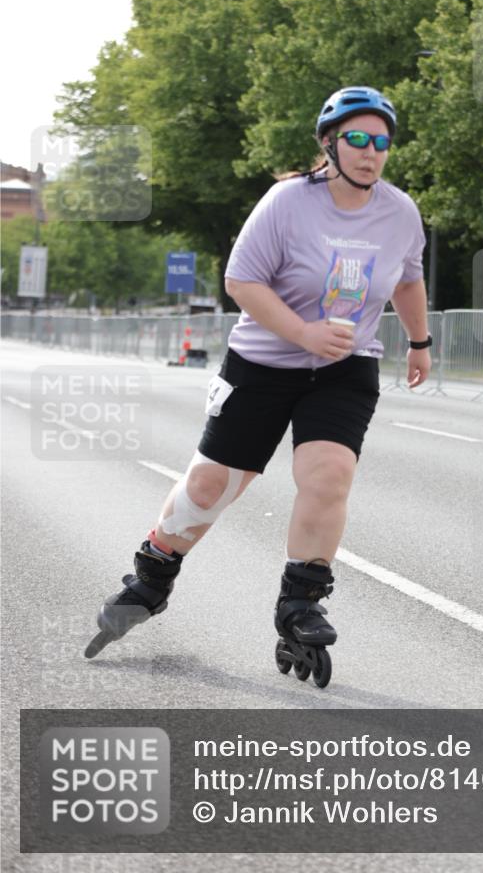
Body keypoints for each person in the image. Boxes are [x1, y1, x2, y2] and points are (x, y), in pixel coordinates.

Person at [85, 86, 432, 687]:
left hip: (345, 367)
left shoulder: (399, 212)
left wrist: (420, 341)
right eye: (358, 138)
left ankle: (300, 603)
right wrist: (302, 332)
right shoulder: (286, 203)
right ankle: (152, 576)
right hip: (264, 361)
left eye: (382, 142)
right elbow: (242, 281)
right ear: (329, 142)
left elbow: (406, 279)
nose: (371, 152)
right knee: (212, 485)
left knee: (329, 476)